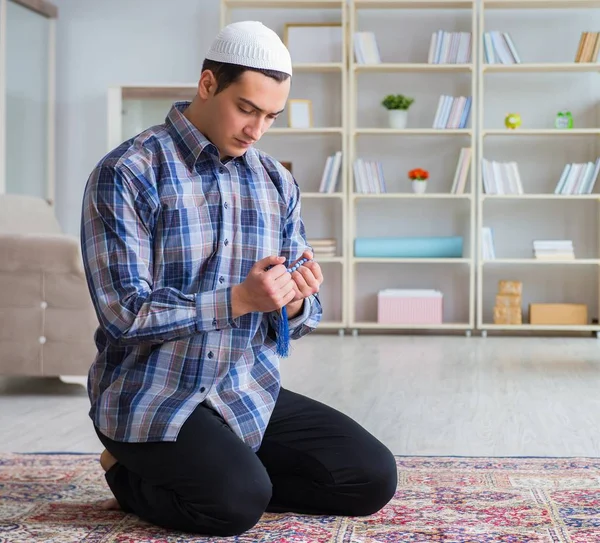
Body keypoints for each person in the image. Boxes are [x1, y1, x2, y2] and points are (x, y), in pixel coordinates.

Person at [80, 20, 397, 537]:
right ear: (208, 84)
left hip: (243, 385)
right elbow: (122, 313)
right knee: (233, 507)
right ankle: (126, 472)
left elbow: (304, 317)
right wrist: (238, 300)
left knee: (371, 479)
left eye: (270, 116)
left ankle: (236, 477)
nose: (256, 129)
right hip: (150, 394)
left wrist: (293, 301)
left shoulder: (275, 180)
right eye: (246, 108)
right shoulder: (127, 173)